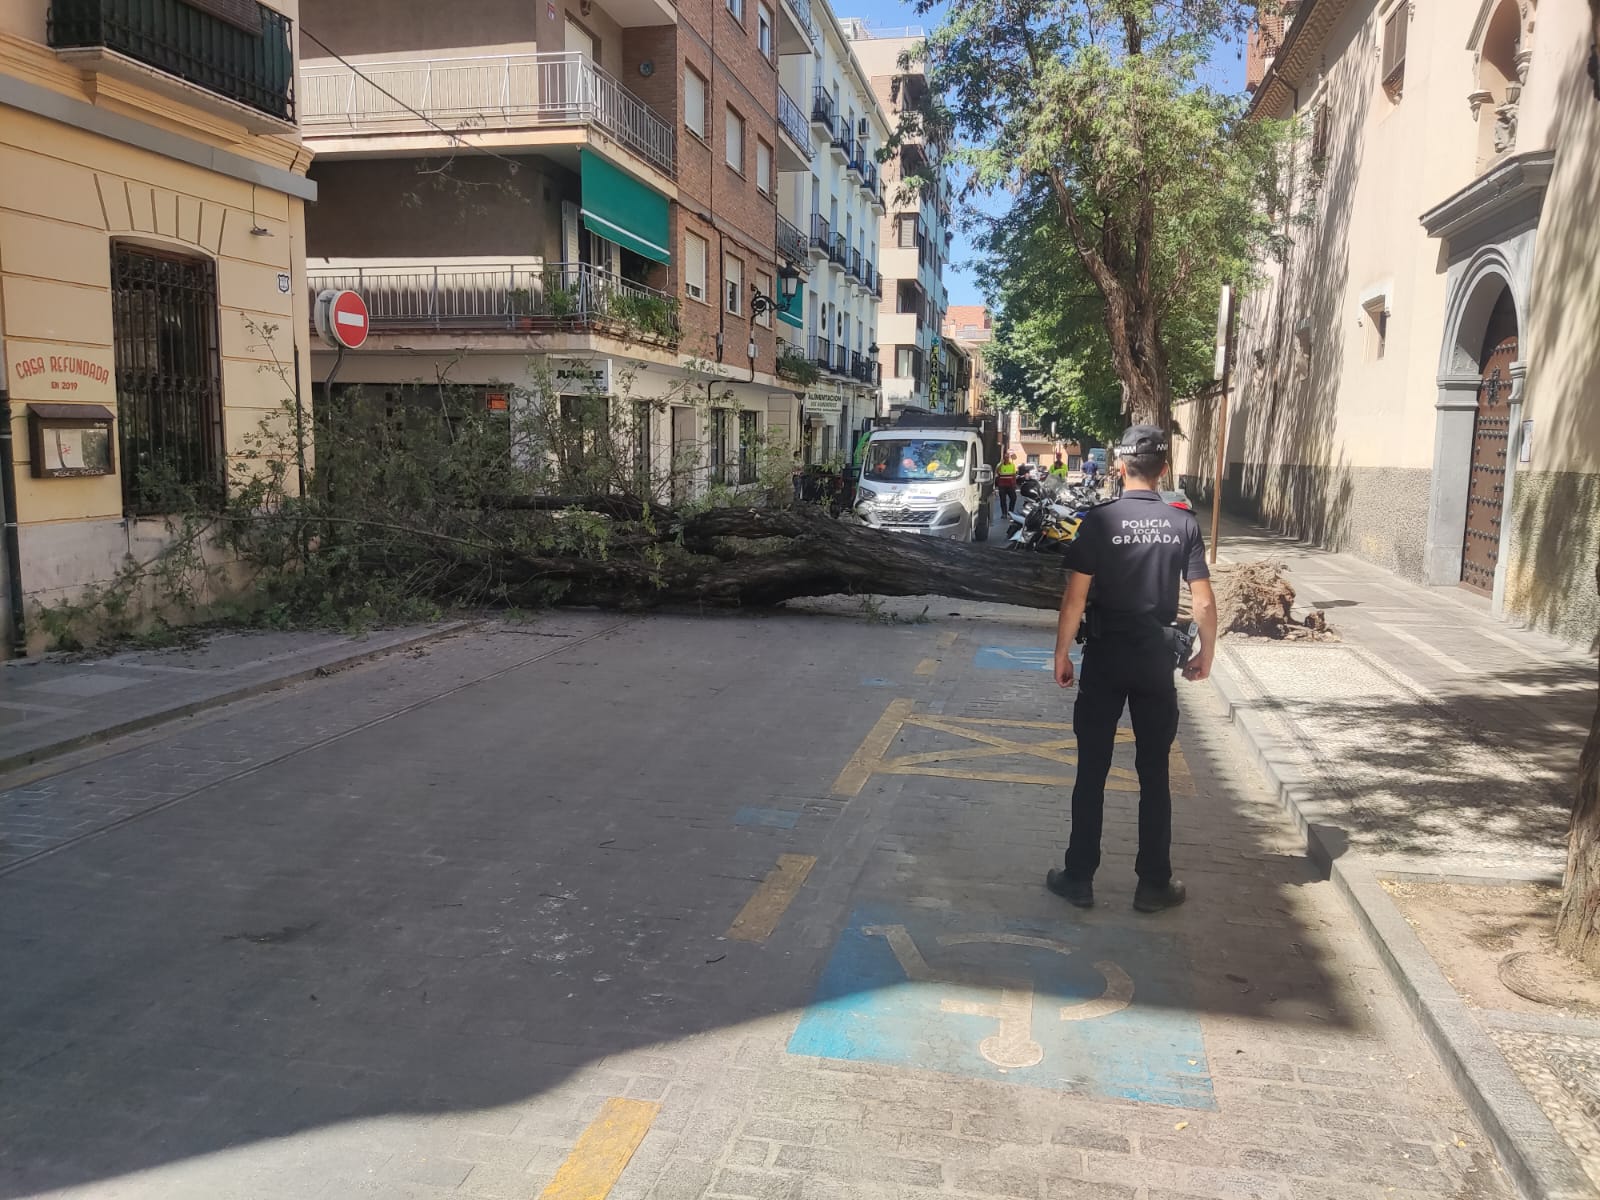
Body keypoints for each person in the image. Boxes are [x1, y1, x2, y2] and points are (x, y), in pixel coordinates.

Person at [1047, 425, 1218, 914]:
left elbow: (1075, 597)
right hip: (1155, 662)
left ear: (1120, 467)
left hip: (1104, 658)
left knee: (1091, 771)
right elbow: (1203, 601)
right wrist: (1207, 653)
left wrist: (1062, 654)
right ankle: (1153, 885)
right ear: (1164, 468)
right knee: (1155, 773)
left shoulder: (1099, 522)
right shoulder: (1182, 523)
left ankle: (1079, 877)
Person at [995, 453, 1020, 517]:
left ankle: (1010, 512)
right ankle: (1004, 513)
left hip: (1010, 485)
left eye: (1007, 457)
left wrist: (1015, 484)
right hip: (1002, 485)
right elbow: (997, 471)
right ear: (1003, 458)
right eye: (1005, 457)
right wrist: (1001, 463)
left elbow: (1014, 475)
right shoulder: (999, 465)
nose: (1007, 459)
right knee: (1003, 500)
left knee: (1013, 498)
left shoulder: (1012, 465)